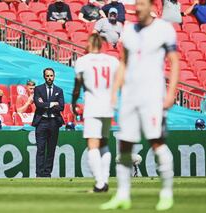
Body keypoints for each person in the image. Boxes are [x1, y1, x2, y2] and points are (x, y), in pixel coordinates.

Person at [100, 0, 179, 211]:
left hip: (152, 96)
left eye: (142, 4)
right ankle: (122, 195)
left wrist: (171, 92)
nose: (137, 7)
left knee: (156, 143)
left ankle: (166, 194)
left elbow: (175, 61)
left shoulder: (164, 29)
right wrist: (115, 91)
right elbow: (124, 62)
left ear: (152, 5)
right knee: (124, 145)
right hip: (130, 96)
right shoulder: (129, 30)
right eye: (136, 4)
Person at [72, 33, 119, 192]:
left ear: (90, 44)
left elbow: (77, 85)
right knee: (104, 143)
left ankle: (99, 183)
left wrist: (73, 102)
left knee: (92, 144)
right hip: (108, 106)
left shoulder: (83, 61)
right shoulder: (112, 61)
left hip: (93, 105)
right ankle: (104, 180)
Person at [32, 68, 64, 177]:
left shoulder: (59, 90)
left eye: (51, 76)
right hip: (42, 122)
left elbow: (61, 106)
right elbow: (38, 104)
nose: (49, 78)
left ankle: (47, 173)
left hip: (54, 122)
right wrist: (52, 104)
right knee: (40, 149)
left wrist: (46, 104)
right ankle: (39, 173)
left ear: (54, 76)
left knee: (51, 149)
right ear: (44, 77)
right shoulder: (38, 89)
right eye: (47, 76)